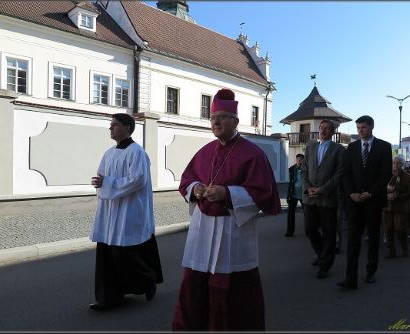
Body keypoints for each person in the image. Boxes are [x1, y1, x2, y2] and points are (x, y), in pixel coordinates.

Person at [172, 88, 281, 331]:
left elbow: (264, 193)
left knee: (233, 291)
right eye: (212, 118)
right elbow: (186, 180)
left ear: (235, 121)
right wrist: (196, 188)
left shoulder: (253, 154)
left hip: (232, 231)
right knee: (195, 285)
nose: (216, 122)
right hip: (202, 229)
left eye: (221, 117)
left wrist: (228, 193)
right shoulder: (205, 151)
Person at [89, 113, 163, 311]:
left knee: (125, 255)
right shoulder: (109, 153)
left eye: (114, 125)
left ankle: (148, 281)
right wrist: (101, 182)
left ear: (127, 128)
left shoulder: (137, 152)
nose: (110, 128)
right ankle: (109, 298)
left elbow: (138, 180)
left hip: (129, 210)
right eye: (110, 125)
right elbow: (102, 176)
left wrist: (108, 183)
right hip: (110, 212)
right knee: (107, 255)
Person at [337, 115, 392, 290]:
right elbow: (345, 173)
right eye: (358, 128)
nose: (360, 131)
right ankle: (350, 277)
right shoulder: (351, 148)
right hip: (354, 202)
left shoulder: (384, 147)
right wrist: (351, 193)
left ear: (371, 127)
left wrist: (370, 193)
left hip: (373, 201)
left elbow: (385, 175)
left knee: (373, 237)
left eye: (363, 127)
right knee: (353, 240)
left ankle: (371, 271)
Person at [301, 119, 345, 279]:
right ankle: (321, 254)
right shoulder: (311, 147)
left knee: (328, 233)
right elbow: (304, 170)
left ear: (333, 132)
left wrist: (323, 189)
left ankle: (325, 265)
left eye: (328, 129)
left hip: (328, 199)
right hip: (310, 198)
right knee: (309, 229)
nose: (324, 131)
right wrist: (308, 188)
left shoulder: (339, 149)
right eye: (321, 128)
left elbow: (339, 174)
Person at [382, 155, 410, 258]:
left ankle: (404, 248)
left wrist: (398, 196)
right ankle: (391, 251)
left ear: (402, 165)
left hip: (400, 207)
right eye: (394, 163)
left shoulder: (407, 177)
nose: (395, 165)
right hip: (387, 207)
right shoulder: (385, 175)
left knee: (399, 228)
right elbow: (379, 189)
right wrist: (386, 195)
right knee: (387, 229)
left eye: (398, 163)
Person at [285, 153, 305, 237]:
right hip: (293, 194)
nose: (298, 161)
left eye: (300, 159)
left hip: (304, 194)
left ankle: (310, 231)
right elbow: (290, 183)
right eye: (297, 159)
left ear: (303, 160)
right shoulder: (292, 169)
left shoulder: (306, 168)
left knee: (307, 213)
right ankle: (290, 232)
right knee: (290, 214)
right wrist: (288, 195)